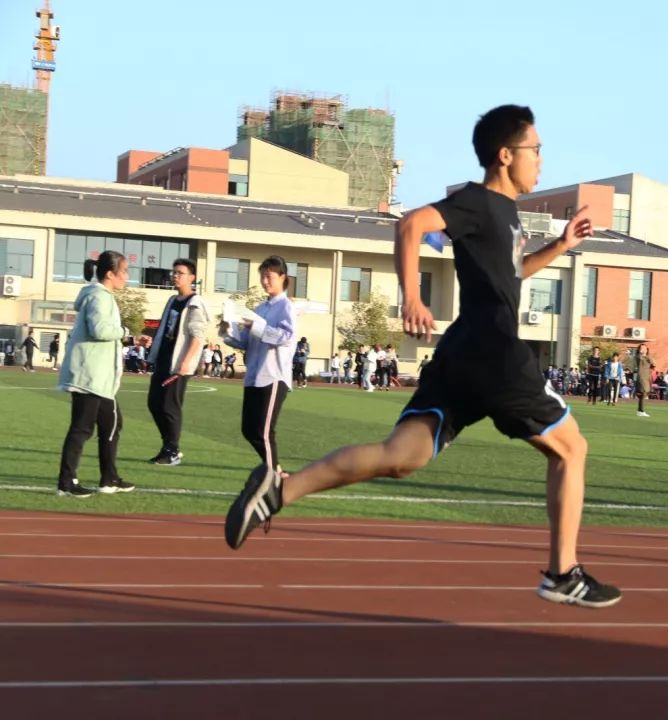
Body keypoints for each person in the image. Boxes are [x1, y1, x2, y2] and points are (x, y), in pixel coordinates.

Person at [222, 105, 620, 608]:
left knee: (400, 457)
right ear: (505, 155)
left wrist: (560, 245)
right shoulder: (477, 201)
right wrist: (412, 295)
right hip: (494, 351)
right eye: (535, 150)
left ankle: (280, 491)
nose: (541, 159)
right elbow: (411, 225)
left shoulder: (505, 215)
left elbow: (510, 276)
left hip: (462, 352)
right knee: (572, 449)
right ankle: (563, 574)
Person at [56, 251, 134, 497]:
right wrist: (123, 330)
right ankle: (67, 483)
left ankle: (108, 479)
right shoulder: (99, 297)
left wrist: (126, 336)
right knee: (82, 428)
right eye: (124, 272)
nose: (127, 277)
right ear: (110, 274)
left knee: (111, 424)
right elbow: (100, 329)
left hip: (97, 377)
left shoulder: (101, 296)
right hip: (91, 377)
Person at [220, 255, 298, 472]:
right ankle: (275, 470)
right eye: (262, 276)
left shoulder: (286, 307)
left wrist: (255, 326)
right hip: (254, 375)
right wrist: (228, 331)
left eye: (269, 276)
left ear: (283, 277)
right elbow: (246, 342)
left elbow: (286, 336)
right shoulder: (261, 308)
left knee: (263, 431)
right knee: (248, 429)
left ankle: (275, 473)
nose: (265, 281)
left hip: (273, 376)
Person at [146, 258, 210, 466]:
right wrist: (152, 344)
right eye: (174, 272)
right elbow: (165, 329)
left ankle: (172, 451)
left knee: (169, 406)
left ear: (192, 278)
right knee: (154, 403)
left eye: (180, 273)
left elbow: (197, 336)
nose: (175, 276)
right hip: (164, 358)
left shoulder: (195, 303)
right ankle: (168, 446)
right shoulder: (173, 300)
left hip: (178, 363)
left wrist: (186, 362)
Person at [633, 344, 654, 417]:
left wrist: (650, 370)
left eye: (644, 348)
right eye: (641, 348)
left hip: (647, 376)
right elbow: (639, 358)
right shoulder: (639, 357)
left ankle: (639, 410)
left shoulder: (648, 357)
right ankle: (641, 410)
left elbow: (653, 364)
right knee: (643, 391)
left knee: (645, 392)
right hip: (641, 376)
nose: (643, 349)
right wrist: (641, 353)